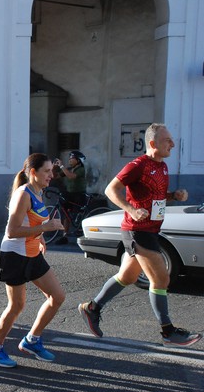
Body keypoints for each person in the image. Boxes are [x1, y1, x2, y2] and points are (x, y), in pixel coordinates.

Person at [78, 123, 202, 347]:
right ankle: (167, 332)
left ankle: (92, 307)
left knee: (127, 277)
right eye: (168, 141)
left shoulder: (162, 167)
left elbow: (155, 195)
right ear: (153, 144)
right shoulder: (137, 165)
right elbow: (110, 190)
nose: (173, 144)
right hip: (138, 231)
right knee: (161, 278)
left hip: (152, 230)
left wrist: (174, 195)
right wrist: (131, 210)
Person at [0, 153, 65, 368]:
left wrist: (40, 238)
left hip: (32, 252)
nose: (51, 175)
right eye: (46, 171)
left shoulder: (39, 192)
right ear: (33, 172)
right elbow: (12, 231)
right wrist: (44, 228)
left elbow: (32, 222)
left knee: (57, 296)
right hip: (15, 255)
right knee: (17, 305)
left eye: (51, 170)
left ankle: (32, 340)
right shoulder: (23, 194)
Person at [53, 150, 86, 244]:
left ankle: (79, 230)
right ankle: (65, 236)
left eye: (72, 158)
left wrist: (62, 166)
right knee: (66, 215)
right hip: (70, 194)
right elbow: (57, 176)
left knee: (77, 214)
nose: (70, 160)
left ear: (78, 160)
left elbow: (71, 176)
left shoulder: (81, 169)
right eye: (70, 158)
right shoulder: (69, 169)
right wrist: (54, 167)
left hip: (78, 194)